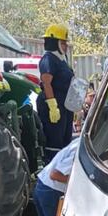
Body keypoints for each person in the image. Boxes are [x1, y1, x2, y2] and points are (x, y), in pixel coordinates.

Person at [38, 23, 75, 160]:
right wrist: (52, 107)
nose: (65, 46)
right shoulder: (48, 59)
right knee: (55, 141)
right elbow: (46, 82)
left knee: (65, 141)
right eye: (63, 43)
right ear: (54, 43)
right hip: (53, 105)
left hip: (64, 105)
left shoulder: (62, 61)